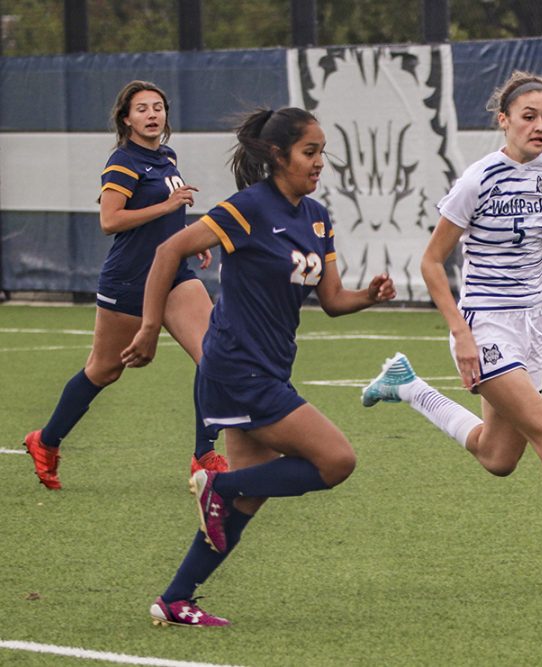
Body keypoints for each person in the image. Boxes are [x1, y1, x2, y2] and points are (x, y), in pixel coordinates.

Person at [362, 71, 542, 594]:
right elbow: (430, 262)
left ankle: (407, 386)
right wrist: (461, 334)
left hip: (534, 325)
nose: (539, 127)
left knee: (497, 457)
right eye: (528, 117)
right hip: (485, 325)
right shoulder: (478, 180)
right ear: (503, 121)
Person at [121, 106, 396, 626]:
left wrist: (370, 296)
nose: (319, 162)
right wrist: (149, 327)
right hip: (237, 368)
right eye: (309, 152)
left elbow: (333, 300)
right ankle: (215, 487)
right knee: (336, 461)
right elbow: (167, 253)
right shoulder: (247, 208)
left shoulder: (317, 217)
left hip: (267, 369)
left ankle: (176, 599)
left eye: (321, 153)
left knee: (248, 499)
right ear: (277, 155)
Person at [22, 80, 227, 491]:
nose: (152, 115)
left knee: (216, 356)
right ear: (126, 119)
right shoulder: (122, 162)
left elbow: (166, 218)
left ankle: (204, 456)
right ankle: (45, 441)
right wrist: (169, 206)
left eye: (158, 108)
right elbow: (110, 221)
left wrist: (188, 240)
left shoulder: (166, 156)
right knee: (104, 369)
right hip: (130, 279)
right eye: (142, 109)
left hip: (174, 277)